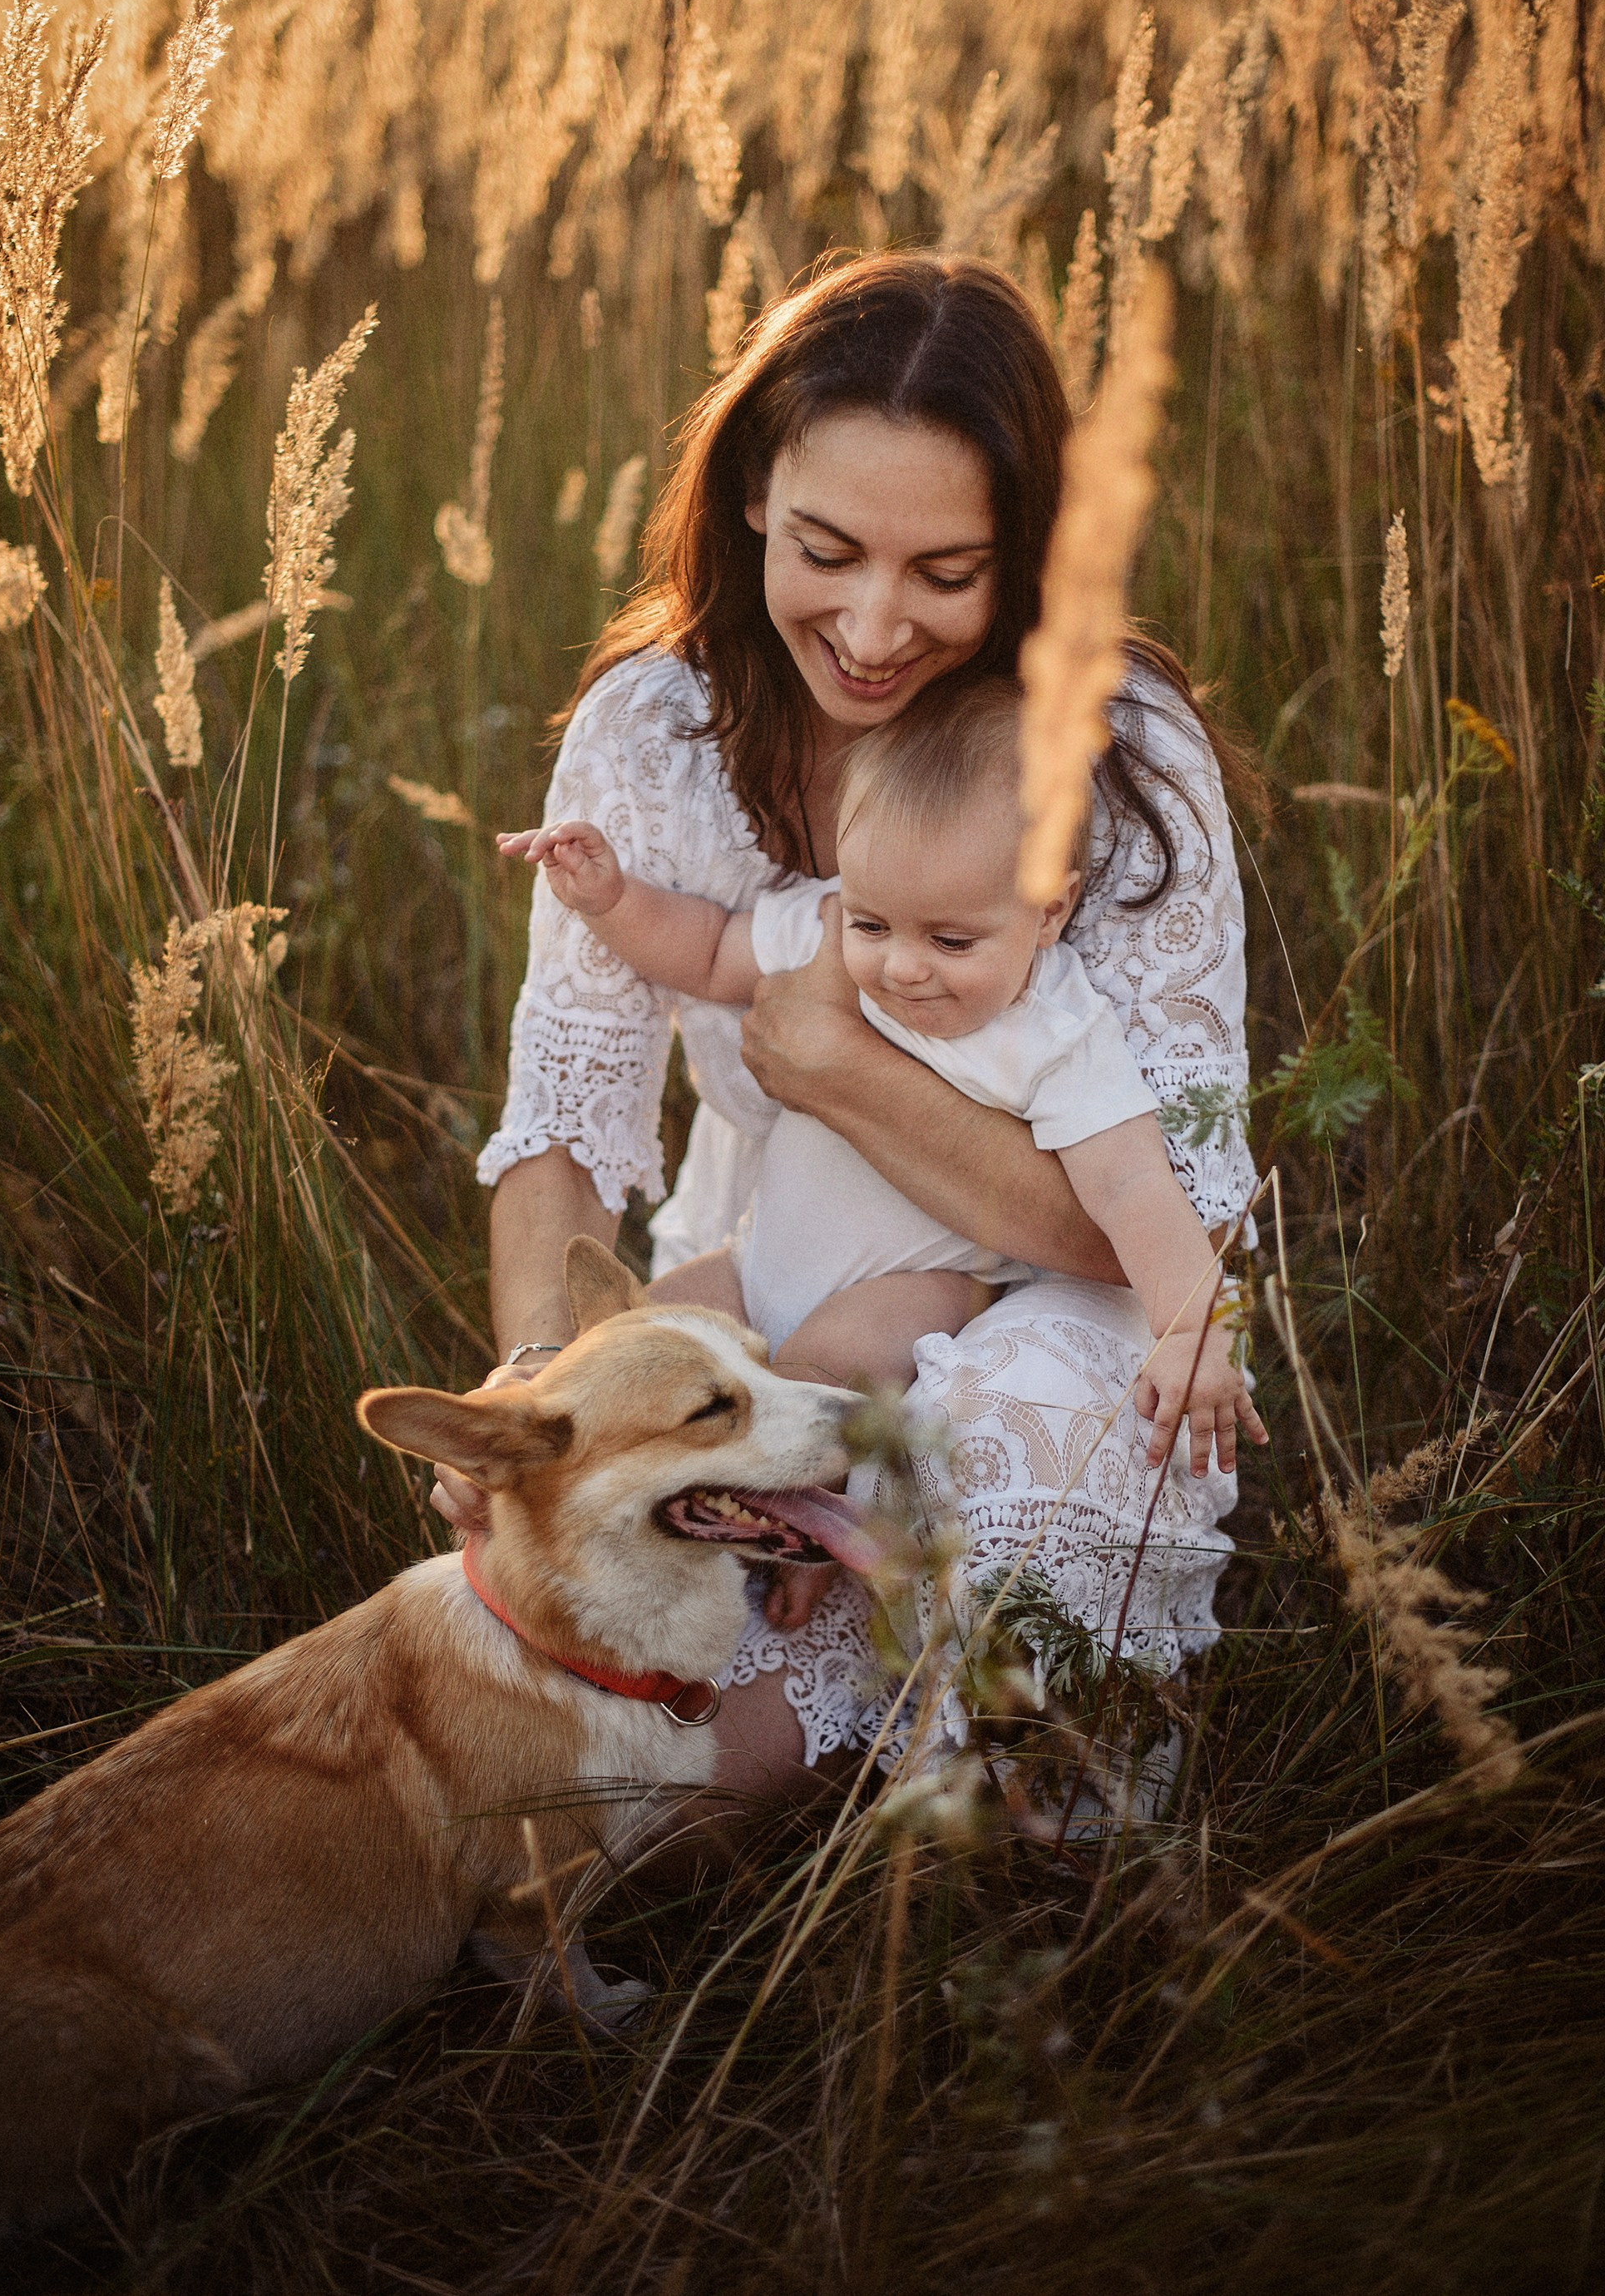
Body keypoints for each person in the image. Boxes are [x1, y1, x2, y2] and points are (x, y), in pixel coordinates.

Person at [447, 250, 1260, 1804]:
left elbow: (1163, 1221)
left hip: (1057, 1290)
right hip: (772, 1265)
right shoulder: (654, 732)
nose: (876, 627)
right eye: (829, 549)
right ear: (754, 491)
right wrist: (539, 1394)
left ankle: (899, 1777)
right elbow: (563, 1119)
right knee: (588, 1591)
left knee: (976, 1498)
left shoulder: (1110, 760)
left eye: (945, 575)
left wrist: (845, 1071)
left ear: (1022, 559)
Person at [495, 675, 1267, 1489]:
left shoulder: (1056, 1033)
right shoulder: (835, 918)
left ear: (1047, 910)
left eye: (951, 940)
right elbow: (713, 948)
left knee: (817, 1374)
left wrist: (1188, 1333)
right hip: (753, 1259)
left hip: (903, 1293)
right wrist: (614, 901)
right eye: (873, 924)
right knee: (633, 1343)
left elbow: (1133, 1187)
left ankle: (809, 1525)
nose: (900, 966)